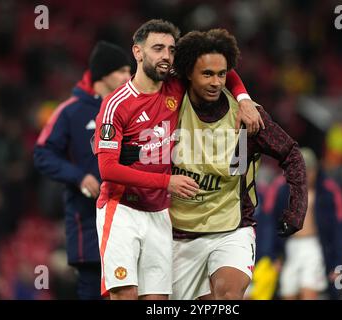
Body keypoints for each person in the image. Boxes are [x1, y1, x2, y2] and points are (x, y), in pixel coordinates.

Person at [93, 19, 262, 300]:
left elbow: (222, 70)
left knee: (158, 301)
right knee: (125, 295)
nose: (166, 56)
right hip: (122, 209)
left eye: (171, 50)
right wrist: (166, 181)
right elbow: (107, 169)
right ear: (137, 52)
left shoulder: (174, 85)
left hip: (160, 214)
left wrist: (243, 99)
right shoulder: (116, 104)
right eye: (158, 48)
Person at [169, 29, 308, 300]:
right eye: (207, 74)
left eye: (222, 75)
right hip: (179, 234)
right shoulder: (169, 105)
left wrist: (296, 209)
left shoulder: (248, 116)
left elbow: (291, 153)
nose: (216, 82)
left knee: (227, 296)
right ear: (188, 73)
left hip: (233, 228)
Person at [34, 41, 132, 300]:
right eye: (122, 71)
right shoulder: (70, 111)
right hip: (87, 219)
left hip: (128, 216)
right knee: (91, 290)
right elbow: (42, 153)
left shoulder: (131, 107)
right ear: (102, 74)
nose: (128, 77)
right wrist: (79, 177)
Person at [262, 147, 342, 299]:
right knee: (288, 292)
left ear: (316, 169)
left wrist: (338, 263)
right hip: (289, 247)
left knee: (309, 292)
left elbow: (338, 228)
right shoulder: (280, 188)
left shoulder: (329, 190)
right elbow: (269, 222)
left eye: (309, 170)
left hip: (314, 247)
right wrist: (272, 255)